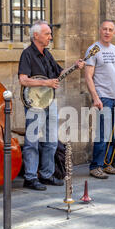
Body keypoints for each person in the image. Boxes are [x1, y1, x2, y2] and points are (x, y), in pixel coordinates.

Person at [18, 20, 85, 190]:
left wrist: (74, 67)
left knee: (52, 140)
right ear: (36, 36)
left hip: (49, 101)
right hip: (34, 104)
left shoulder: (47, 54)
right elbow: (23, 79)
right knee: (32, 141)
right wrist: (47, 83)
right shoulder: (27, 54)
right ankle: (31, 177)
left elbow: (59, 73)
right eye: (47, 33)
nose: (50, 36)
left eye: (50, 33)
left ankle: (47, 174)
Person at [84, 20, 115, 179]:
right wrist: (95, 97)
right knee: (102, 133)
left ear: (114, 32)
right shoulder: (93, 49)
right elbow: (88, 76)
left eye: (110, 30)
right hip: (103, 97)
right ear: (99, 30)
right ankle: (96, 166)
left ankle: (107, 164)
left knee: (113, 134)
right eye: (104, 29)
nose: (107, 32)